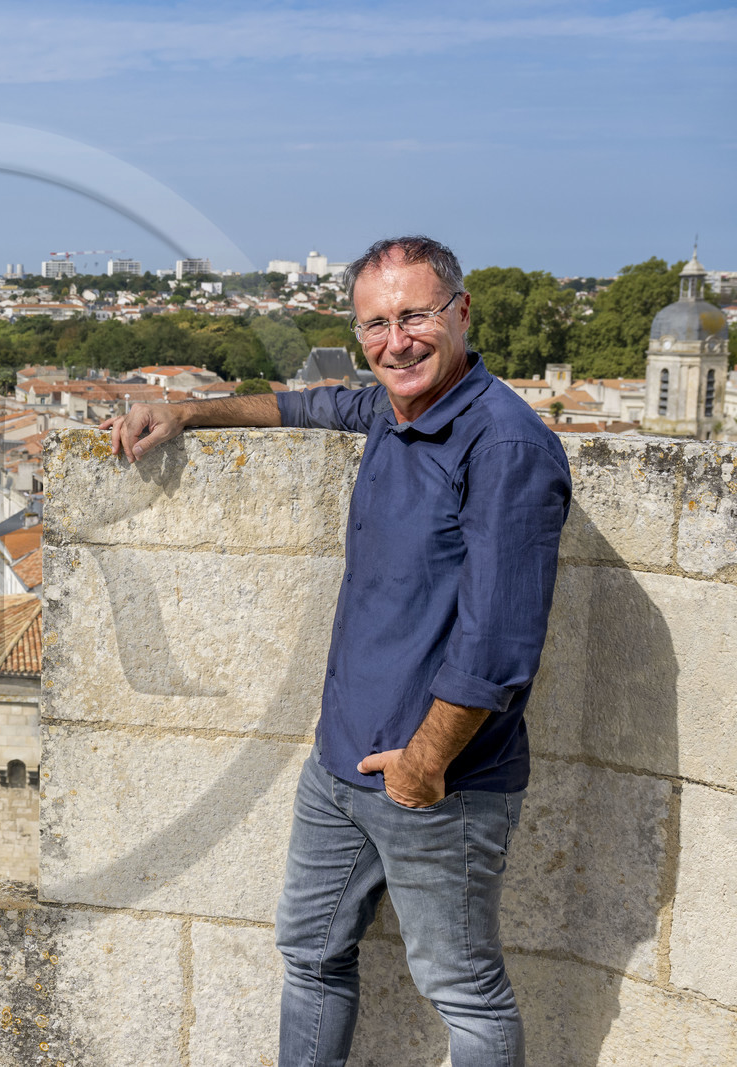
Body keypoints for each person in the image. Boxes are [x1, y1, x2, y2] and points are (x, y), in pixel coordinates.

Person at [100, 236, 570, 1066]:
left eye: (416, 316)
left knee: (466, 993)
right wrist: (183, 411)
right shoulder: (394, 412)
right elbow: (303, 405)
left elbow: (498, 645)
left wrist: (424, 764)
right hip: (340, 764)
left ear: (461, 312)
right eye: (377, 324)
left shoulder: (503, 445)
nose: (398, 342)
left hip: (439, 781)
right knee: (311, 954)